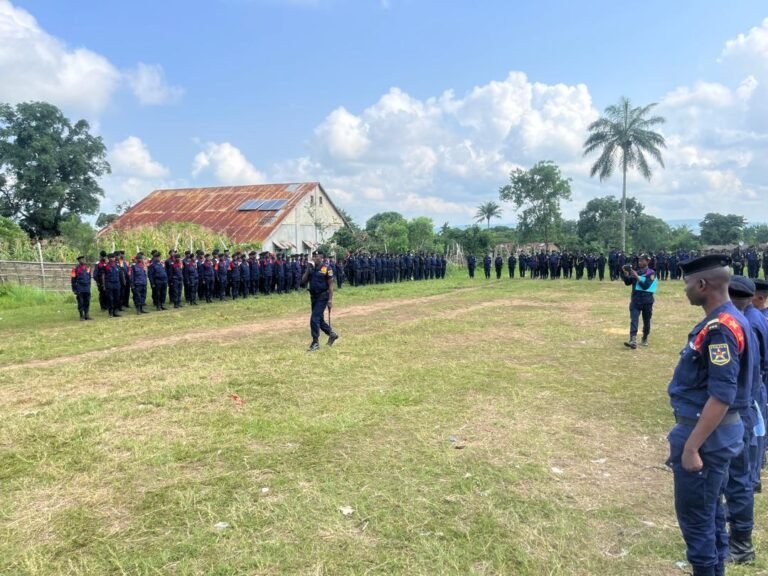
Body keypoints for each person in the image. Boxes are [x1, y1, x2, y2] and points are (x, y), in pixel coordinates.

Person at [667, 254, 753, 576]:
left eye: (688, 284)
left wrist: (691, 447)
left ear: (703, 285)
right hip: (718, 435)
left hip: (705, 439)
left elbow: (722, 394)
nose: (685, 290)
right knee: (711, 513)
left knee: (698, 522)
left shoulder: (721, 328)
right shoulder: (733, 318)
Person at [722, 276, 763, 564]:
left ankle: (741, 545)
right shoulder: (751, 318)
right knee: (740, 474)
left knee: (738, 477)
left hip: (742, 405)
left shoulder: (745, 324)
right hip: (749, 399)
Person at [302, 250, 338, 352]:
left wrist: (330, 300)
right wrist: (308, 270)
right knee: (319, 320)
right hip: (313, 297)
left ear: (321, 257)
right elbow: (303, 281)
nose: (314, 258)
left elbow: (331, 285)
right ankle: (332, 334)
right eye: (313, 256)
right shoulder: (311, 269)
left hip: (323, 296)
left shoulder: (327, 268)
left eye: (316, 256)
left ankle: (315, 342)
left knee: (314, 318)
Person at [621, 253, 657, 349]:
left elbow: (646, 286)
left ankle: (645, 337)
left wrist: (636, 276)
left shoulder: (651, 273)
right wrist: (626, 273)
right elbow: (627, 282)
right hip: (636, 300)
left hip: (647, 301)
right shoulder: (637, 271)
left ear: (647, 261)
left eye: (642, 260)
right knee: (634, 320)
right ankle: (633, 340)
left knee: (646, 321)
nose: (640, 262)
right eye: (639, 260)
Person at [70, 255, 92, 321]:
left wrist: (89, 286)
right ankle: (81, 316)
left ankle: (87, 315)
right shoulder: (75, 269)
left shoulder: (88, 267)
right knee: (80, 302)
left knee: (87, 301)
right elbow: (73, 279)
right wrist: (74, 289)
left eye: (84, 259)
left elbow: (89, 277)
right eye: (81, 259)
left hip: (87, 287)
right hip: (79, 287)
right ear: (79, 261)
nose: (83, 260)